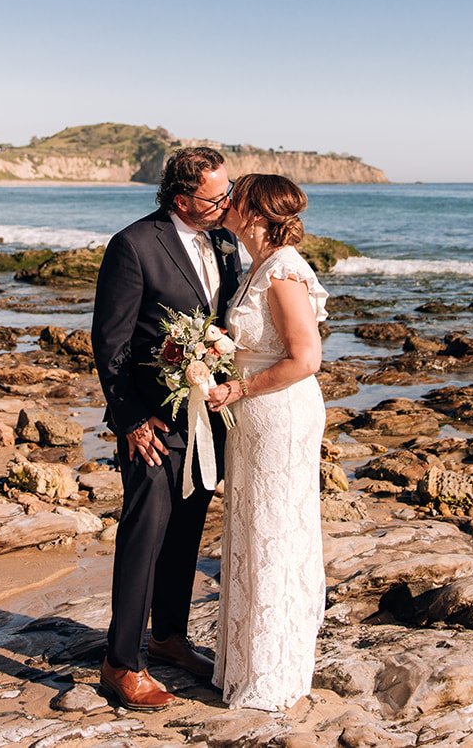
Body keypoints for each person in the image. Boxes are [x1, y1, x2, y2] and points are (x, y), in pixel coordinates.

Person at [91, 146, 243, 710]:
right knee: (144, 536)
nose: (227, 201)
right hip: (151, 424)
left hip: (208, 421)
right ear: (182, 199)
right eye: (216, 194)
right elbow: (111, 343)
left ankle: (170, 638)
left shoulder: (226, 244)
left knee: (186, 533)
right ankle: (121, 661)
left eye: (228, 189)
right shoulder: (133, 245)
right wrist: (130, 419)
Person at [205, 173, 328, 712]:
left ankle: (272, 671)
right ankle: (244, 661)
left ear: (254, 212)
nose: (226, 202)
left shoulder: (282, 270)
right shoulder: (254, 264)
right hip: (251, 414)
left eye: (236, 195)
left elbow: (305, 358)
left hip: (277, 412)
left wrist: (239, 386)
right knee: (252, 527)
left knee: (274, 531)